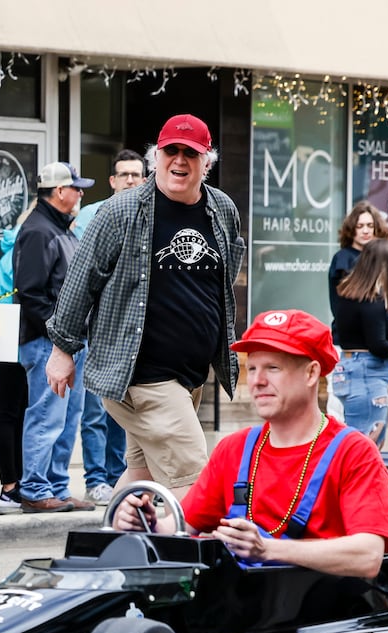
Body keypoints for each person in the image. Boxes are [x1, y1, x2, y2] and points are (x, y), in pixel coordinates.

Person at [114, 310, 388, 578]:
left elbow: (368, 556)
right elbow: (179, 528)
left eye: (273, 368)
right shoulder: (234, 449)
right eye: (252, 368)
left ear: (311, 373)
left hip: (320, 614)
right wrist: (147, 523)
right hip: (243, 610)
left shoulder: (354, 452)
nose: (257, 381)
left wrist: (268, 549)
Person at [45, 114, 246, 493]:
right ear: (156, 157)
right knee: (196, 482)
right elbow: (80, 279)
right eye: (172, 151)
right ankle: (207, 551)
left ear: (208, 162)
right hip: (141, 375)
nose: (180, 161)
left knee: (142, 477)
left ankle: (113, 545)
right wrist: (62, 349)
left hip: (188, 376)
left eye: (192, 153)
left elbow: (226, 272)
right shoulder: (122, 211)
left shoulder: (221, 209)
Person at [14, 162, 95, 514]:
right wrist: (60, 338)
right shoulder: (38, 231)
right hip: (49, 343)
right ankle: (34, 488)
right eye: (76, 188)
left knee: (67, 417)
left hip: (68, 342)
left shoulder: (60, 229)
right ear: (59, 192)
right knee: (47, 416)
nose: (80, 194)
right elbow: (31, 295)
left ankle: (58, 487)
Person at [70, 150, 146, 503]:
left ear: (145, 178)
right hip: (97, 332)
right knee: (95, 412)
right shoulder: (91, 215)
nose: (131, 180)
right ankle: (96, 479)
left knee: (123, 413)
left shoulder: (152, 216)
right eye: (124, 175)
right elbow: (82, 276)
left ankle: (119, 477)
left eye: (136, 174)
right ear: (112, 181)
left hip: (134, 335)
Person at [332, 237, 388, 446]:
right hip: (367, 372)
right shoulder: (371, 302)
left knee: (356, 439)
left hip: (348, 367)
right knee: (368, 444)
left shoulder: (347, 295)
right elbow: (379, 345)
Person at [0, 205, 30, 505]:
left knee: (12, 413)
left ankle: (13, 483)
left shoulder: (14, 247)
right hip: (12, 330)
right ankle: (10, 486)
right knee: (10, 414)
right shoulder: (28, 246)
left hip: (6, 330)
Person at [327, 201, 388, 322]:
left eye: (370, 226)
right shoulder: (343, 258)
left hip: (374, 329)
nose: (365, 231)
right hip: (350, 333)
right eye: (359, 226)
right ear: (351, 229)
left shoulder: (379, 258)